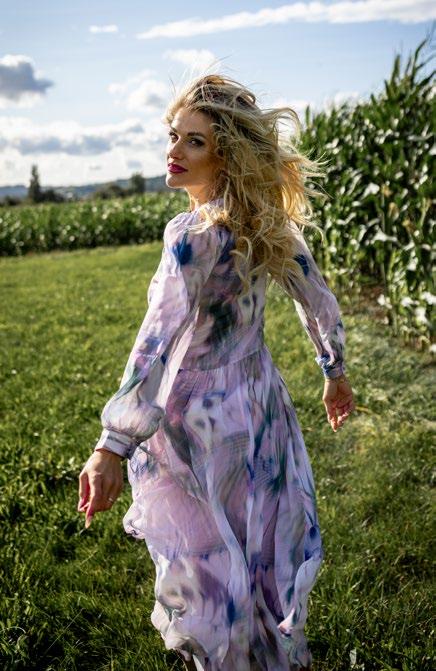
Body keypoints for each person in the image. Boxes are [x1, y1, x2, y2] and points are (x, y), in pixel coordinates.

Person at [78, 74, 355, 671]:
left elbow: (156, 340)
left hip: (199, 423)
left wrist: (113, 444)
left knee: (207, 561)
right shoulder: (268, 224)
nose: (174, 151)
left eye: (194, 141)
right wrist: (333, 370)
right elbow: (319, 301)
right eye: (173, 136)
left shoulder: (193, 236)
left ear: (225, 154)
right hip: (258, 406)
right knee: (258, 547)